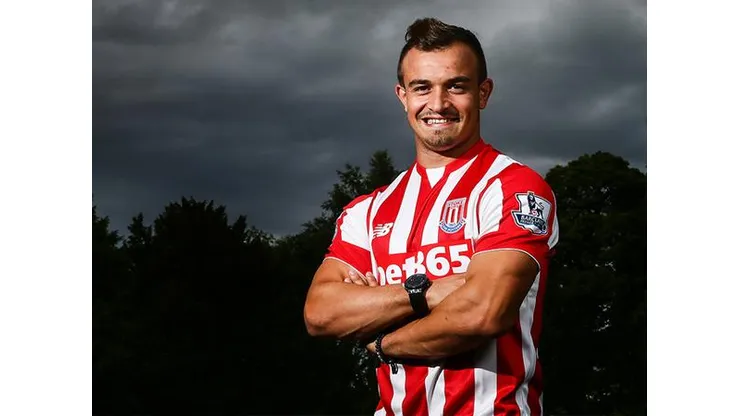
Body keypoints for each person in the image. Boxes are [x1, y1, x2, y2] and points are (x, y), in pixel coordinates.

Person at [304, 17, 559, 416]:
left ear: (483, 93)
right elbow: (321, 313)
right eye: (422, 87)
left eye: (456, 86)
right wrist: (423, 293)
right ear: (402, 96)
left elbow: (482, 313)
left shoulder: (515, 188)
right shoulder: (366, 211)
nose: (438, 104)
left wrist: (383, 340)